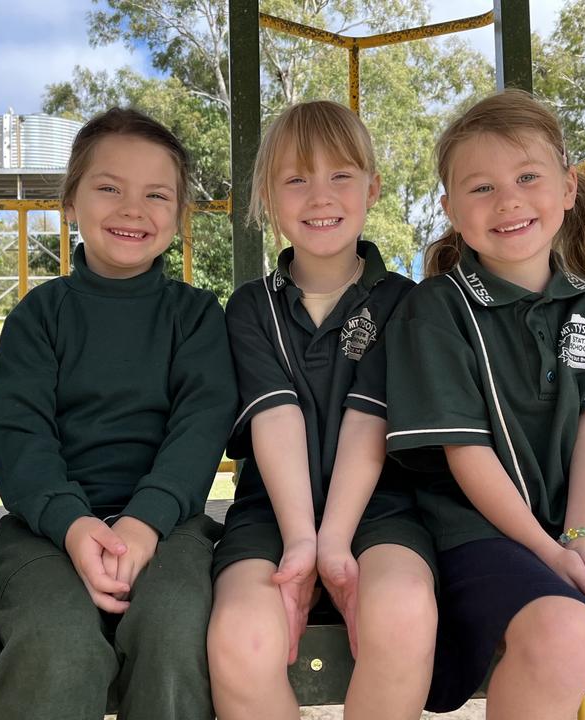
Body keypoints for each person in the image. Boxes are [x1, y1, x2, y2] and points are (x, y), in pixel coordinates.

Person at [384, 89, 585, 720]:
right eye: (482, 188)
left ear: (569, 186)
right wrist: (550, 552)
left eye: (528, 177)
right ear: (449, 209)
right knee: (563, 633)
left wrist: (582, 538)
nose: (509, 200)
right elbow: (465, 453)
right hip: (482, 527)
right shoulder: (435, 309)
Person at [0, 107, 238, 720]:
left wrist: (143, 523)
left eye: (156, 194)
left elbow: (200, 427)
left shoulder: (195, 317)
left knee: (176, 628)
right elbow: (18, 434)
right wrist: (72, 524)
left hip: (168, 526)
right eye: (108, 188)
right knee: (53, 643)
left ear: (179, 215)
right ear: (71, 202)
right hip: (49, 529)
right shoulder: (40, 316)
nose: (132, 208)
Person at [206, 100, 438, 720]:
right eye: (295, 179)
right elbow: (274, 416)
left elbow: (370, 420)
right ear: (267, 196)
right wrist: (303, 543)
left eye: (340, 175)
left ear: (373, 188)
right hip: (270, 513)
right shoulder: (250, 307)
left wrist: (333, 542)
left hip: (381, 509)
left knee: (406, 613)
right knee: (242, 639)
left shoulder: (405, 302)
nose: (319, 196)